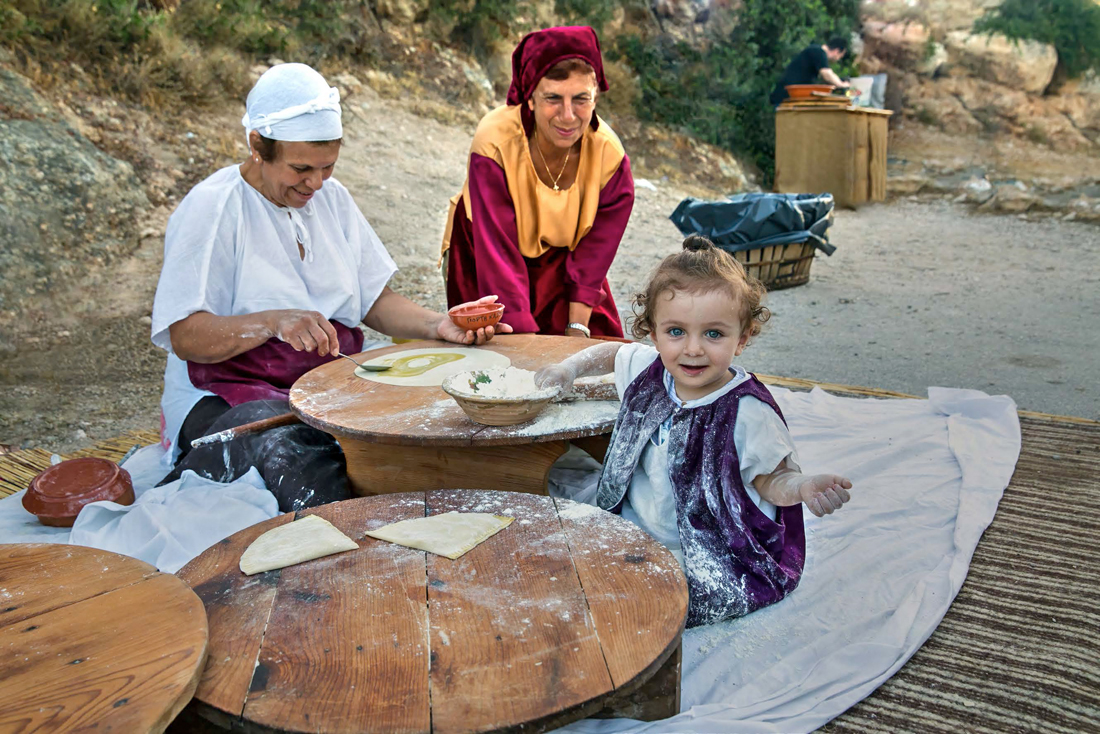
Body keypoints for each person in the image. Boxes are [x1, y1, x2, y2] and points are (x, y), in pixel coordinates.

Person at [151, 63, 510, 511]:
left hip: (320, 384)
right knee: (296, 455)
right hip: (224, 395)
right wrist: (272, 322)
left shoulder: (331, 198)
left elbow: (373, 299)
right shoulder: (213, 207)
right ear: (257, 147)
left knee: (425, 429)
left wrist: (440, 325)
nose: (315, 183)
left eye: (327, 167)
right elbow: (187, 337)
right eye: (301, 168)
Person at [535, 235, 853, 627]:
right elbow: (613, 352)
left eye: (714, 334)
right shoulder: (652, 369)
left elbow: (772, 479)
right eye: (676, 332)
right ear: (653, 332)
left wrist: (802, 487)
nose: (693, 349)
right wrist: (570, 369)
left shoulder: (747, 411)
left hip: (707, 544)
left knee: (642, 606)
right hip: (638, 517)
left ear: (744, 336)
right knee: (558, 548)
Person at [440, 26, 635, 340]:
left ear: (595, 95)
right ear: (529, 97)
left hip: (565, 259)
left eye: (581, 99)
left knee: (596, 358)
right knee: (497, 359)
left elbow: (592, 257)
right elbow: (498, 255)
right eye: (553, 98)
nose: (568, 115)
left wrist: (577, 328)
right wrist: (523, 346)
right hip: (486, 249)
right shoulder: (494, 143)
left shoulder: (610, 158)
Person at [770, 37, 851, 107]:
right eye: (841, 56)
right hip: (787, 97)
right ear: (837, 51)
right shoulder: (818, 52)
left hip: (790, 97)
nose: (838, 59)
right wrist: (842, 85)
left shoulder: (816, 52)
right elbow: (827, 74)